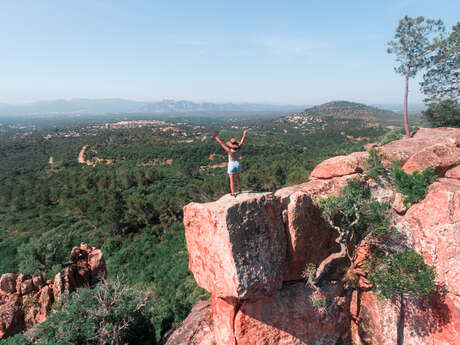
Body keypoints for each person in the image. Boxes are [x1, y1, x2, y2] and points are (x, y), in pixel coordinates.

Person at [212, 130, 248, 197]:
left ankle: (233, 193)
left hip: (231, 164)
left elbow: (221, 143)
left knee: (231, 180)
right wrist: (244, 135)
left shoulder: (229, 151)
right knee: (238, 178)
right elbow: (242, 141)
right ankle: (239, 189)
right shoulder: (239, 148)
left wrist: (216, 137)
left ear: (231, 145)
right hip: (237, 163)